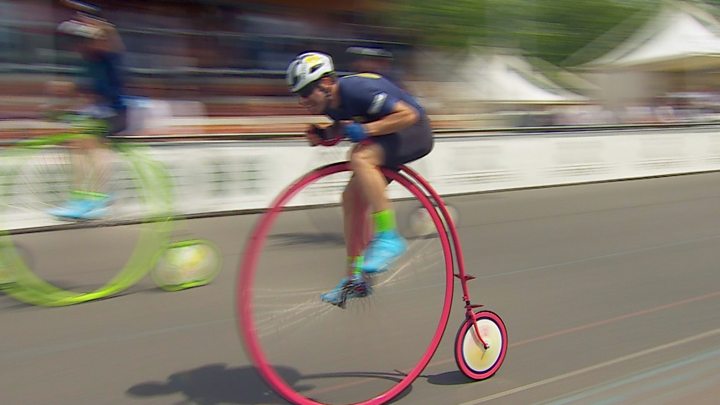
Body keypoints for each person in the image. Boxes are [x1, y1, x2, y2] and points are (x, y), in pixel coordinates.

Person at [286, 51, 433, 307]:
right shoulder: (332, 104)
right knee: (350, 198)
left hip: (413, 132)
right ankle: (355, 278)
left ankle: (388, 236)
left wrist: (366, 130)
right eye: (299, 94)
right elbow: (345, 128)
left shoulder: (356, 88)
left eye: (307, 91)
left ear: (328, 82)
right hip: (389, 136)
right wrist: (324, 134)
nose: (303, 100)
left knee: (361, 157)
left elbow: (408, 115)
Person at [50, 4, 127, 220]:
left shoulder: (108, 50)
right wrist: (64, 103)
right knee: (77, 143)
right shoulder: (90, 59)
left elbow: (108, 34)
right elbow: (87, 93)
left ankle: (98, 197)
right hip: (98, 112)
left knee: (92, 144)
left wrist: (92, 22)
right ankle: (81, 199)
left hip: (115, 112)